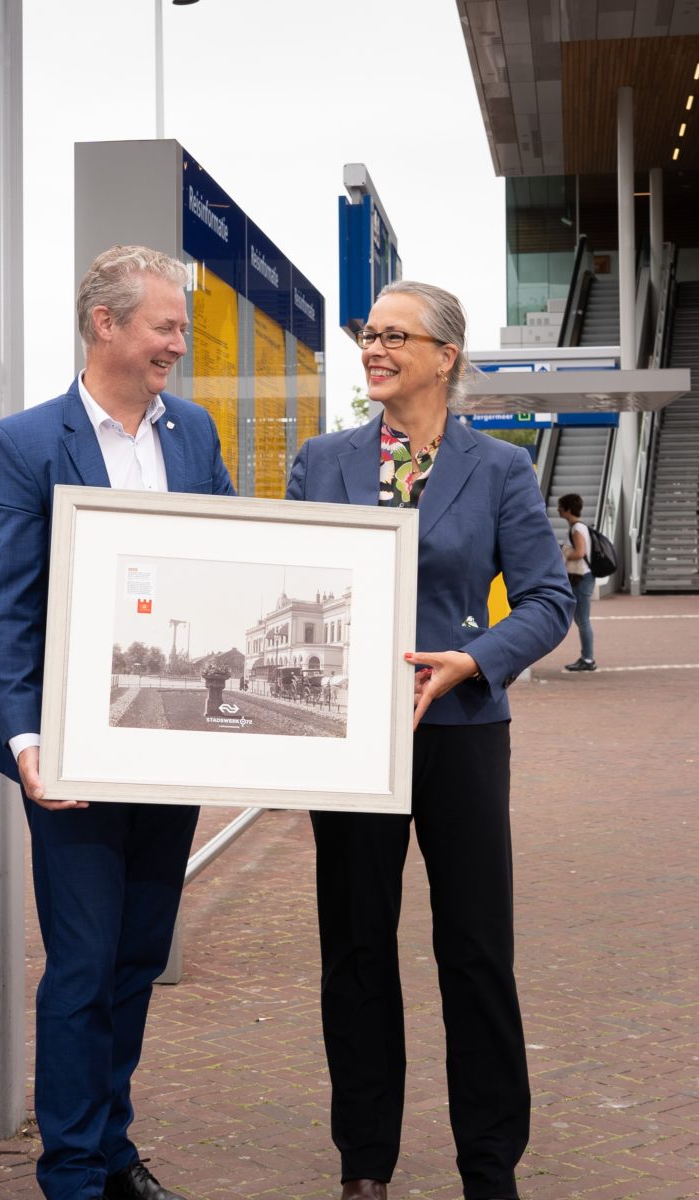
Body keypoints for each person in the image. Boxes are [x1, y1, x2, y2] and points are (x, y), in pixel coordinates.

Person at [286, 279, 573, 1200]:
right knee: (357, 952)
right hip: (351, 742)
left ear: (445, 355)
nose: (374, 348)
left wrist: (475, 661)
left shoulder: (499, 471)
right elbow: (283, 584)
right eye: (369, 334)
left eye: (394, 336)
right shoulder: (319, 462)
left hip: (459, 732)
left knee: (476, 951)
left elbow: (547, 601)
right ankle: (363, 1165)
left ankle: (490, 1166)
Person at [0, 244, 235, 1200]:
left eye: (178, 328)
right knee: (82, 964)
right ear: (106, 325)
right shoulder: (26, 442)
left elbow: (217, 570)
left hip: (167, 753)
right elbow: (8, 605)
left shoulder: (195, 434)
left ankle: (112, 1148)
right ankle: (74, 1174)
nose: (178, 343)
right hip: (73, 753)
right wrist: (27, 741)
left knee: (135, 956)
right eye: (165, 326)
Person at [558, 493, 596, 672]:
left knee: (583, 619)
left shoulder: (577, 529)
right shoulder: (578, 527)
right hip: (580, 578)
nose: (558, 509)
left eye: (560, 506)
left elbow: (580, 553)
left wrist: (564, 555)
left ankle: (588, 659)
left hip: (581, 578)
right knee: (581, 619)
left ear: (567, 509)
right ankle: (586, 657)